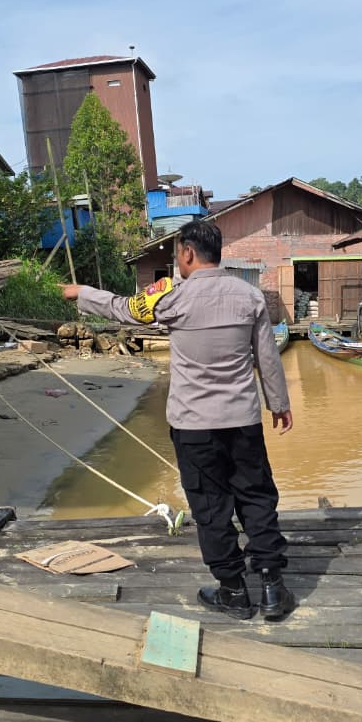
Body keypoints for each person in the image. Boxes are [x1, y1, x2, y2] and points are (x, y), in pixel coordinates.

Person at [62, 220, 297, 621]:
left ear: (187, 252)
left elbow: (122, 308)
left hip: (193, 426)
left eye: (177, 255)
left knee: (210, 505)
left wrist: (81, 292)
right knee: (256, 496)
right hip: (242, 420)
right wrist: (279, 403)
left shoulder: (172, 298)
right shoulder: (250, 296)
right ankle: (273, 588)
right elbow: (267, 356)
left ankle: (234, 591)